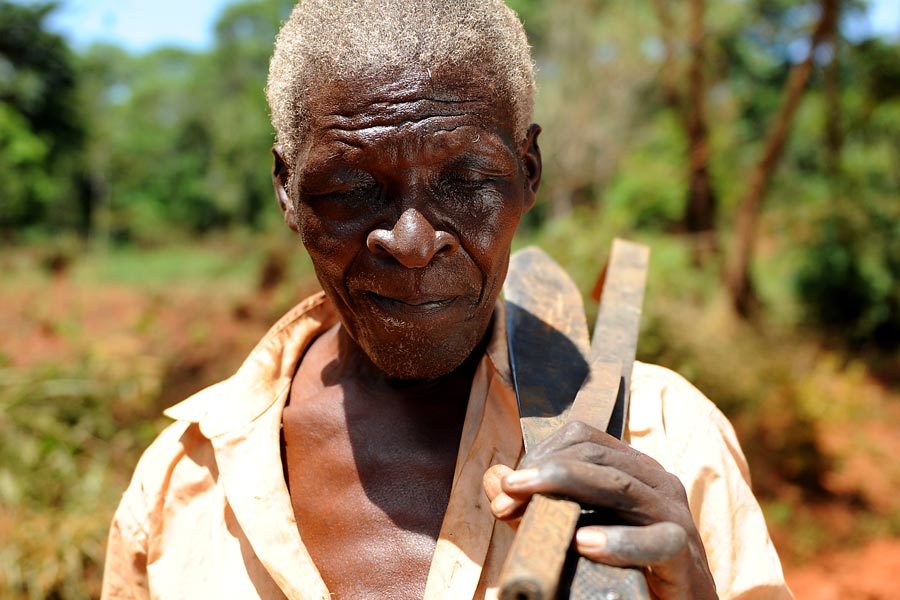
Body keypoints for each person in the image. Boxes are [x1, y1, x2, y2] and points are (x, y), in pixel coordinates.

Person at [101, 1, 793, 599]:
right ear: (287, 190)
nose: (410, 240)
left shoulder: (663, 436)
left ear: (528, 171)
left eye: (464, 179)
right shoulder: (184, 482)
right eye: (348, 189)